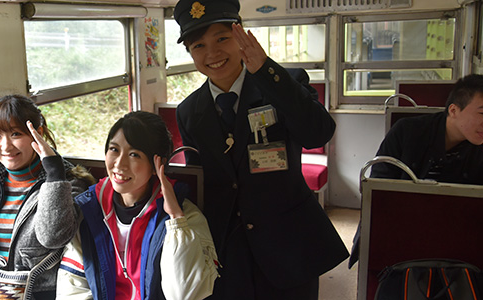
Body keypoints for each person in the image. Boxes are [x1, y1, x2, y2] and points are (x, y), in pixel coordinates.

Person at [172, 0, 349, 298]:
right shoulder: (189, 111)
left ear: (241, 37)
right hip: (227, 251)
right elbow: (201, 184)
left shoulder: (283, 83)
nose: (212, 53)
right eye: (198, 45)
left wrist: (265, 71)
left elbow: (319, 133)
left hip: (289, 245)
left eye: (222, 39)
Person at [56, 111, 219, 300]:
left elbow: (185, 294)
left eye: (134, 154)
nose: (119, 164)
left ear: (158, 164)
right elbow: (72, 289)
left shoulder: (187, 218)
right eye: (114, 149)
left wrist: (176, 219)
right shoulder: (90, 210)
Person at [0, 94, 94, 300]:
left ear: (38, 134)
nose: (6, 146)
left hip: (40, 293)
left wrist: (54, 175)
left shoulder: (69, 184)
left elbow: (53, 238)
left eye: (15, 134)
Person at [348, 74, 483, 268]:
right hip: (398, 231)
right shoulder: (407, 132)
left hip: (455, 241)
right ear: (453, 110)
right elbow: (379, 192)